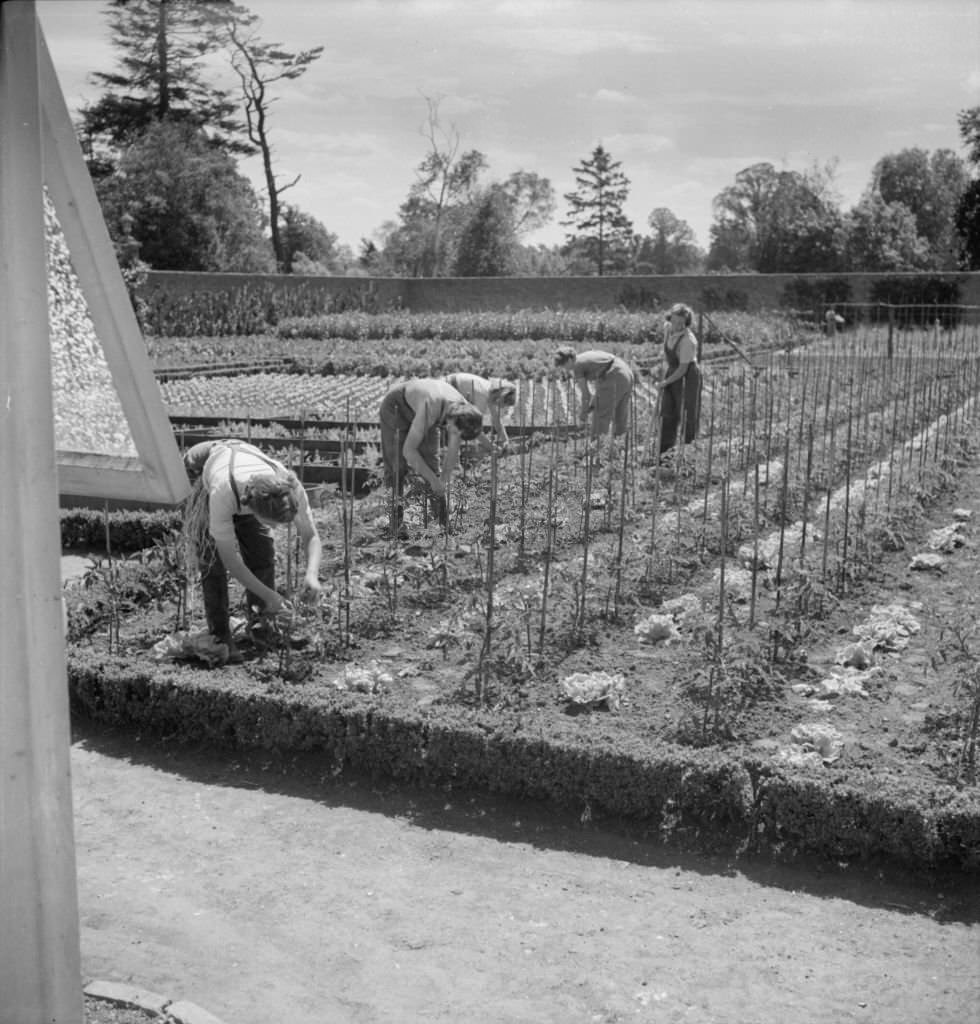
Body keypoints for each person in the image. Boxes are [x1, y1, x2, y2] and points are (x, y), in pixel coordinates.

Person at [183, 439, 323, 662]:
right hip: (201, 465)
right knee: (213, 561)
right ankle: (220, 636)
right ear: (251, 509)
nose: (277, 529)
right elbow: (231, 560)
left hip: (241, 463)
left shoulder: (288, 486)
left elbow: (311, 535)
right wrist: (271, 595)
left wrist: (312, 575)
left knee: (262, 552)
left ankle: (262, 627)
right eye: (273, 523)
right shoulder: (223, 491)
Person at [379, 378, 485, 535]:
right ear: (451, 420)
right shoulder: (431, 409)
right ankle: (396, 523)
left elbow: (453, 448)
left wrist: (443, 480)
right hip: (397, 406)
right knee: (397, 467)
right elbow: (409, 451)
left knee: (431, 465)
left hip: (426, 407)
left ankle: (443, 521)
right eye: (454, 431)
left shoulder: (462, 412)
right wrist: (434, 481)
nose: (453, 434)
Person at [554, 346, 633, 447]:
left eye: (563, 365)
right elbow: (600, 380)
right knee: (620, 415)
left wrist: (583, 416)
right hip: (625, 372)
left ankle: (597, 451)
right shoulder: (583, 357)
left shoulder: (577, 366)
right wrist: (592, 403)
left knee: (600, 416)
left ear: (570, 360)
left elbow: (585, 394)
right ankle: (621, 448)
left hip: (614, 375)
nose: (564, 369)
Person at [658, 302, 701, 457]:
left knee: (686, 412)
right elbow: (666, 351)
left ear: (686, 322)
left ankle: (688, 454)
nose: (677, 326)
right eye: (674, 321)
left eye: (681, 323)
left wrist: (665, 382)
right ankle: (664, 454)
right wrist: (665, 372)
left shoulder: (688, 340)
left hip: (687, 375)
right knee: (667, 412)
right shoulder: (668, 328)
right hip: (672, 371)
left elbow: (683, 369)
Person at [444, 372, 518, 449]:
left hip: (451, 385)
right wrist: (491, 447)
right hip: (447, 389)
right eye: (504, 404)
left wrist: (505, 440)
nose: (502, 408)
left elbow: (496, 420)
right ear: (501, 398)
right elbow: (473, 427)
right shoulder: (482, 396)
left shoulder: (492, 392)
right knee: (459, 425)